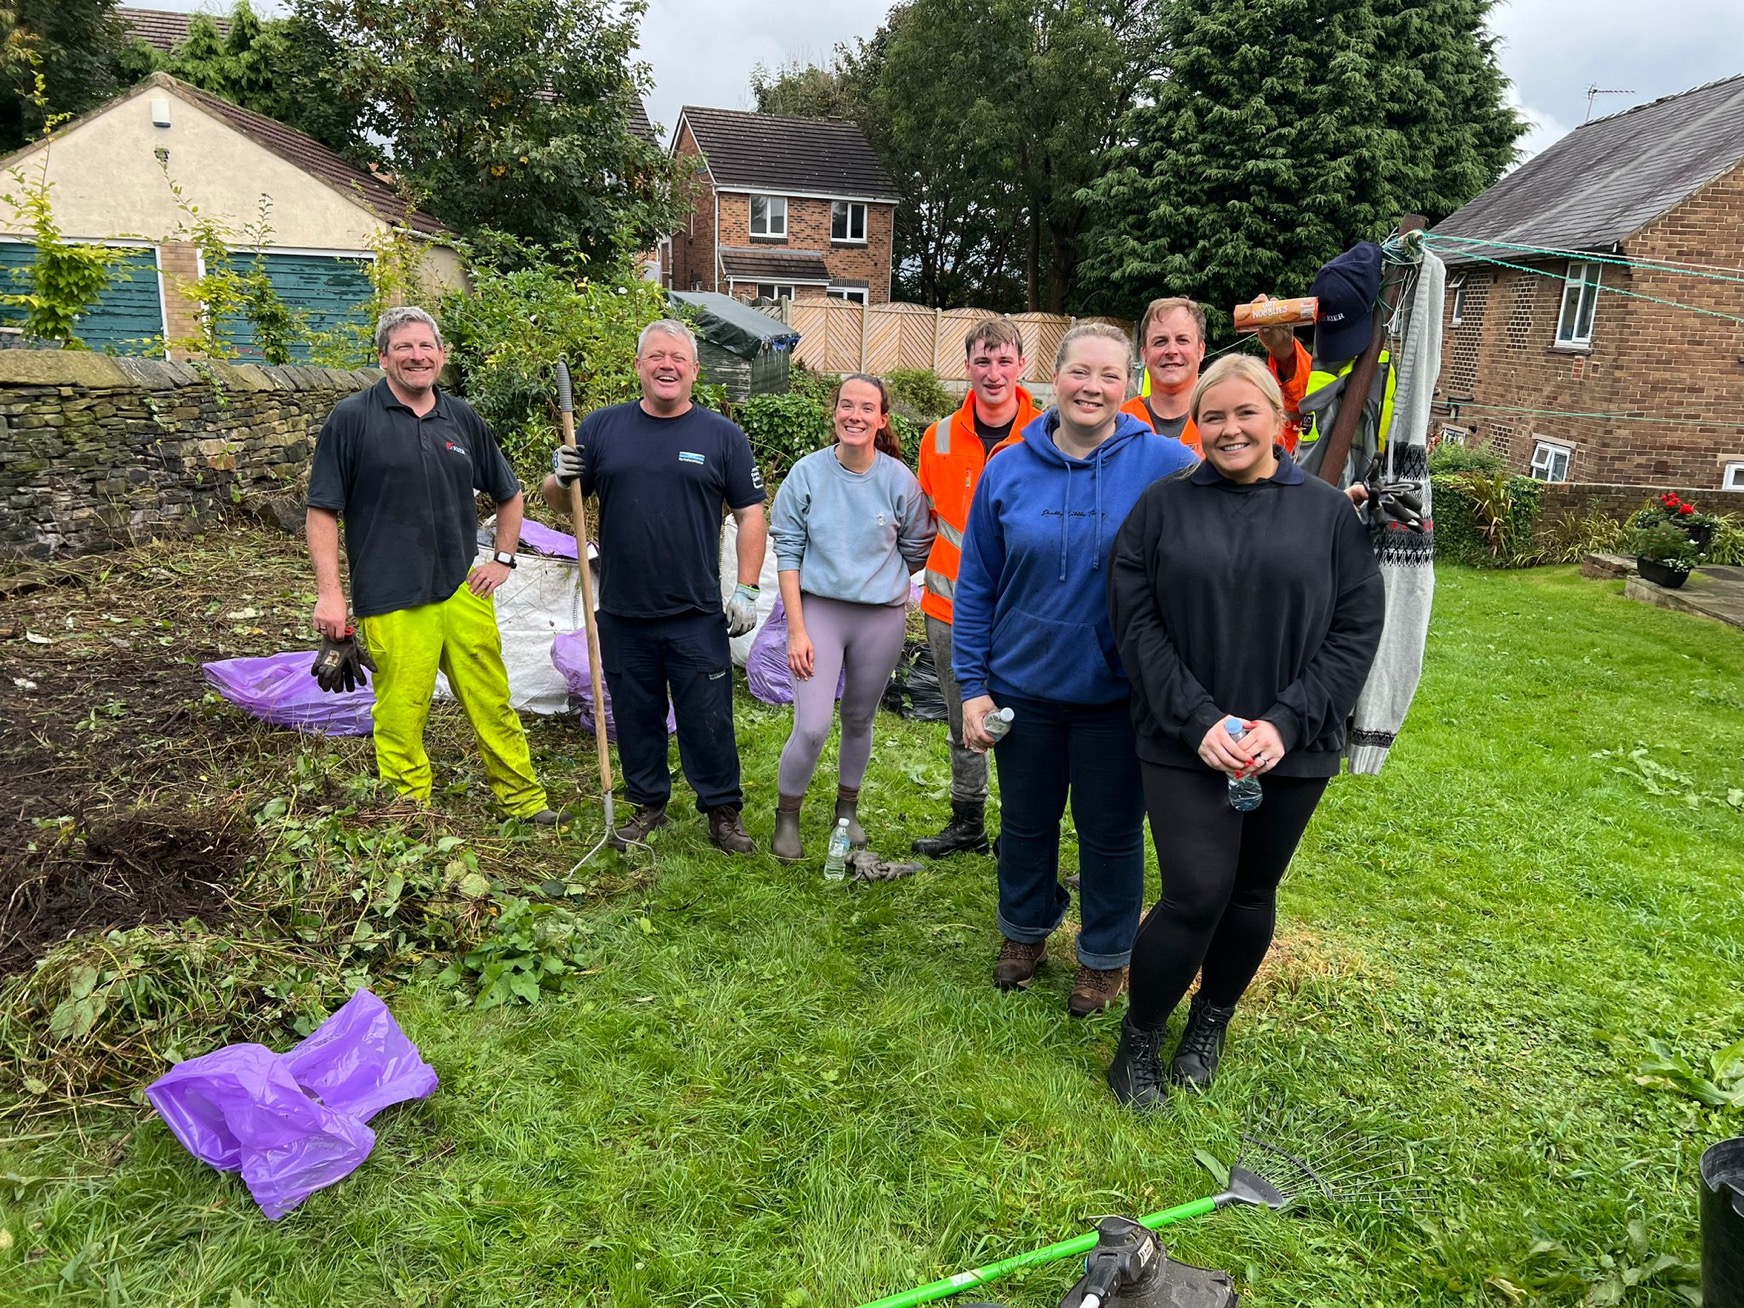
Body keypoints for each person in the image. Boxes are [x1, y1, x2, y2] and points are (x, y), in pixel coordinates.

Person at [1105, 355, 1385, 1110]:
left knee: (1252, 893)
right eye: (1214, 416)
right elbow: (1136, 625)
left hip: (1289, 744)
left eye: (1244, 414)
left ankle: (1211, 1020)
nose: (1228, 429)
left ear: (1277, 419)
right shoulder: (1161, 511)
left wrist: (1288, 722)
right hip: (1183, 739)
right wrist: (1200, 722)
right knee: (1197, 892)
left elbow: (1357, 628)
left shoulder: (1327, 515)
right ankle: (1138, 1042)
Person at [952, 323, 1198, 1018]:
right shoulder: (1008, 468)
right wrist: (974, 687)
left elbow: (1244, 500)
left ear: (1130, 385)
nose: (1093, 387)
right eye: (1080, 372)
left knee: (1111, 831)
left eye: (1110, 375)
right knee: (1026, 824)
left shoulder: (1165, 464)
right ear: (1053, 379)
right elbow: (976, 586)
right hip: (1023, 690)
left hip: (1118, 695)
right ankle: (1024, 932)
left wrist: (1333, 504)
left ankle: (1105, 954)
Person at [306, 306, 563, 823]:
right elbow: (322, 511)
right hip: (391, 595)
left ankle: (523, 802)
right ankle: (408, 815)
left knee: (492, 701)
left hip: (462, 591)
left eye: (426, 347)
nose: (416, 356)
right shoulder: (353, 419)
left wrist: (504, 560)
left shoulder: (462, 418)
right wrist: (331, 594)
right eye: (403, 347)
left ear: (441, 356)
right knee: (401, 714)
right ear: (383, 358)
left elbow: (510, 496)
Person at [542, 319, 767, 854]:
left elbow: (752, 515)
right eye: (656, 356)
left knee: (708, 715)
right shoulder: (599, 430)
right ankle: (648, 805)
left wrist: (749, 589)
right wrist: (560, 475)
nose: (667, 365)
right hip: (622, 608)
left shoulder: (721, 435)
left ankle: (722, 811)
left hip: (693, 609)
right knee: (636, 713)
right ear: (640, 365)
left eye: (678, 358)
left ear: (694, 369)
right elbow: (557, 500)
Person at [768, 375, 937, 861]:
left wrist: (879, 582)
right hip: (819, 611)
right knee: (814, 725)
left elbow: (916, 546)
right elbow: (788, 552)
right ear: (834, 412)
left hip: (880, 619)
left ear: (881, 419)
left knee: (860, 718)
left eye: (867, 408)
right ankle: (788, 814)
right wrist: (797, 630)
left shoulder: (898, 481)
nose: (855, 416)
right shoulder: (807, 474)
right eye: (846, 406)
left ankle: (847, 810)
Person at [912, 318, 1040, 858]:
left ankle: (1026, 827)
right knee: (962, 712)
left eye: (1004, 361)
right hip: (948, 605)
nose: (993, 373)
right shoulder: (937, 437)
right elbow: (923, 521)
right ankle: (968, 821)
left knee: (1031, 720)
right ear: (965, 367)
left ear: (1022, 366)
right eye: (982, 362)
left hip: (1026, 609)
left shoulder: (1048, 433)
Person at [1122, 296, 1311, 452]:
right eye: (1160, 341)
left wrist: (1284, 353)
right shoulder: (1118, 422)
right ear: (1144, 353)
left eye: (1182, 340)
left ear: (1201, 350)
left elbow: (1299, 415)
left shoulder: (1235, 421)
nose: (1171, 350)